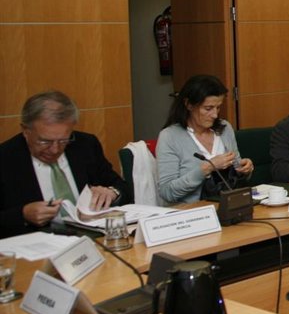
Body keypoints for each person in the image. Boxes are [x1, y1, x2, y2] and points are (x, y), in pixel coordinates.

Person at [1, 90, 129, 237]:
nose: (55, 149)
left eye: (63, 140)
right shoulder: (5, 158)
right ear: (25, 131)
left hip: (92, 238)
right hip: (35, 243)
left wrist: (112, 193)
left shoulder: (85, 145)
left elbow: (122, 187)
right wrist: (23, 215)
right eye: (45, 141)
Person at [156, 74, 253, 204]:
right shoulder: (170, 136)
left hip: (229, 205)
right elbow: (167, 192)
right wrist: (206, 169)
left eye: (218, 107)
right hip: (192, 211)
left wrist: (244, 169)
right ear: (189, 105)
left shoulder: (225, 128)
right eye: (208, 108)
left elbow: (236, 173)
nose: (215, 115)